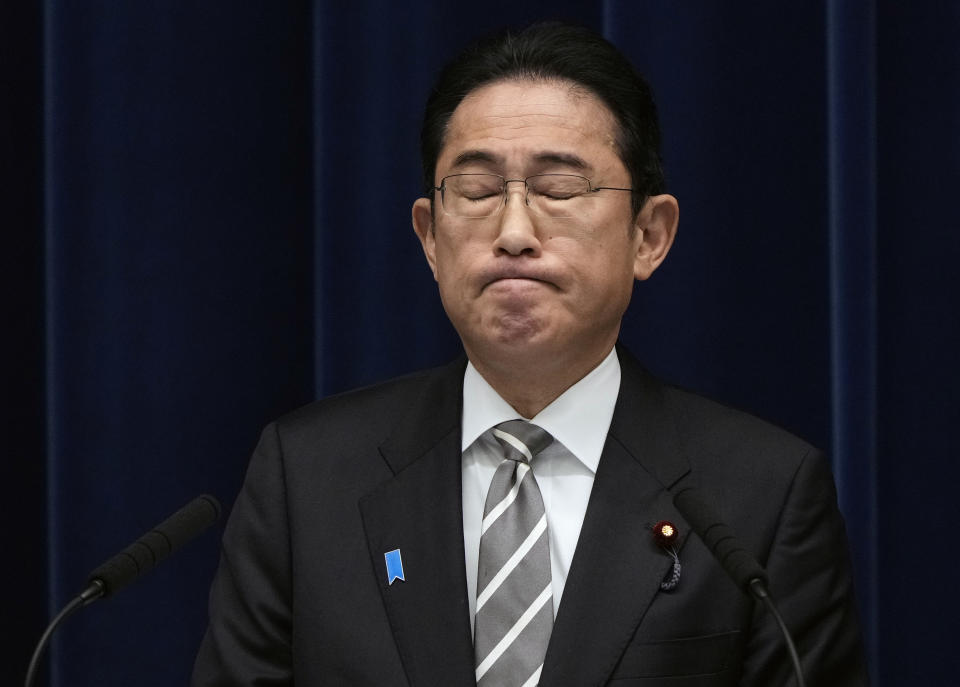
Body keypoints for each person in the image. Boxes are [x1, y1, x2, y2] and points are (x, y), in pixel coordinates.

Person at [192, 22, 867, 686]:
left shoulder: (761, 496)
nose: (514, 232)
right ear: (429, 236)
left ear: (649, 235)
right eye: (479, 192)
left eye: (560, 189)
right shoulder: (306, 479)